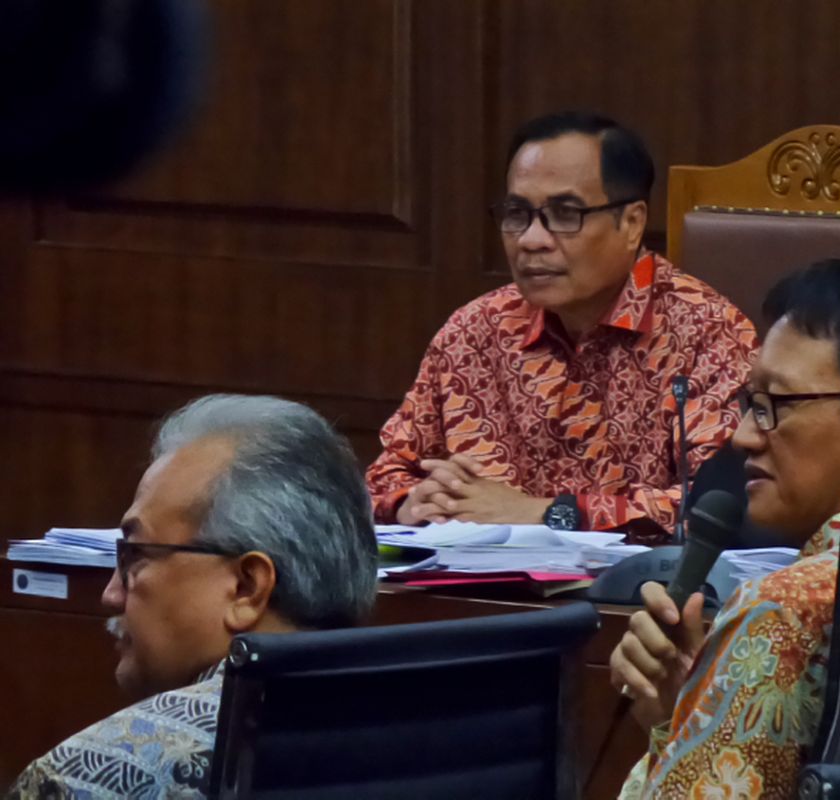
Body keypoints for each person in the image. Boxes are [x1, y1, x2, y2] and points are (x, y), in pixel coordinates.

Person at [610, 257, 840, 798]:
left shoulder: (785, 610)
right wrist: (691, 710)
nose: (743, 435)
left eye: (776, 405)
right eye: (750, 403)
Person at [365, 111, 757, 542]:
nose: (532, 239)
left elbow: (721, 506)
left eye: (565, 214)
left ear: (631, 223)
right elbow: (383, 478)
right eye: (517, 213)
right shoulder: (474, 330)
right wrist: (412, 502)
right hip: (473, 577)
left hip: (634, 584)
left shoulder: (708, 332)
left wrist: (546, 513)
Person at [6, 395, 378, 799]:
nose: (110, 594)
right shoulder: (417, 731)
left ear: (246, 588)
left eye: (136, 556)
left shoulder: (83, 780)